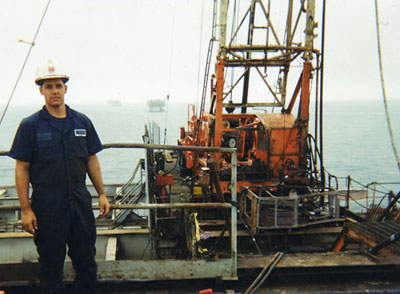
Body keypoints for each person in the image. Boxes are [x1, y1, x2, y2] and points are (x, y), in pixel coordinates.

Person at [8, 59, 111, 293]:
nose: (54, 91)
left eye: (58, 86)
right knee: (51, 264)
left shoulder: (82, 122)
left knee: (86, 260)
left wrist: (102, 194)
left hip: (79, 203)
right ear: (41, 91)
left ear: (66, 88)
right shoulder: (30, 126)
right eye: (48, 87)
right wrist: (26, 209)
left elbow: (91, 159)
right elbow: (22, 168)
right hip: (47, 206)